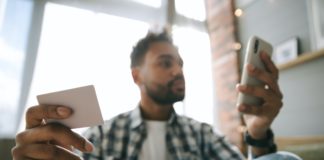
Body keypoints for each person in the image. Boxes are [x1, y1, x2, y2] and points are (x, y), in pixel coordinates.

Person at [12, 31, 301, 160]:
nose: (178, 71)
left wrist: (258, 131)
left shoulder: (202, 135)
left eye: (181, 63)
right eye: (165, 63)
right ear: (136, 76)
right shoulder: (101, 135)